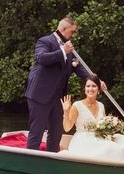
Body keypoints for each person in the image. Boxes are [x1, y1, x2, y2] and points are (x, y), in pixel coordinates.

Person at [25, 16, 94, 152]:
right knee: (37, 132)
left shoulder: (69, 48)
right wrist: (63, 51)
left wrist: (96, 81)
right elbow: (42, 58)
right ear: (64, 29)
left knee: (56, 133)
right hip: (40, 94)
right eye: (72, 32)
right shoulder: (45, 41)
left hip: (58, 98)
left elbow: (79, 68)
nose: (73, 35)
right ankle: (30, 163)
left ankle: (51, 162)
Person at [60, 74, 124, 163]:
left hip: (99, 137)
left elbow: (103, 127)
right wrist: (66, 111)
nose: (90, 89)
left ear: (98, 90)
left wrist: (110, 131)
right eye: (88, 86)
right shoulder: (77, 105)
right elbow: (67, 128)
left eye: (94, 86)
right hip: (83, 140)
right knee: (113, 148)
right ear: (84, 89)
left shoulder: (101, 105)